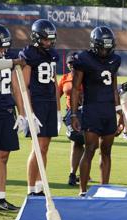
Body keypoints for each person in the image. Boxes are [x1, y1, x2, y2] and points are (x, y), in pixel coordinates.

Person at [71, 26, 123, 196]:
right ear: (94, 44)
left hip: (108, 109)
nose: (105, 51)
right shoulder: (84, 59)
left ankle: (104, 188)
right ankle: (83, 190)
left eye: (108, 47)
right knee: (90, 148)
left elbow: (114, 87)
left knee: (107, 151)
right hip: (92, 109)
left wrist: (119, 110)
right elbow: (76, 89)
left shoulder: (115, 59)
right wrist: (73, 114)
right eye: (102, 47)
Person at [19, 19, 62, 196]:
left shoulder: (52, 54)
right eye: (45, 39)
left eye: (50, 39)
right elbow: (24, 85)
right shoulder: (28, 54)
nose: (49, 42)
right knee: (37, 147)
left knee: (45, 147)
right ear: (37, 38)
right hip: (37, 103)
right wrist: (29, 111)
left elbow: (54, 82)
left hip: (50, 103)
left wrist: (59, 109)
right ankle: (31, 188)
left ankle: (39, 185)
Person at [0, 24, 27, 210]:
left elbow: (16, 87)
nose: (3, 50)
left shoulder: (8, 57)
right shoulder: (8, 61)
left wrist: (22, 113)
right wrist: (12, 62)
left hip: (5, 111)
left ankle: (0, 199)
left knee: (3, 155)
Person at [58, 53, 84, 186]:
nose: (72, 66)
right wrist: (57, 113)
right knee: (76, 141)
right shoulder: (64, 78)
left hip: (87, 111)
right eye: (70, 63)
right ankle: (73, 174)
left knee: (91, 144)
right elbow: (57, 95)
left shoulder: (85, 76)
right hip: (72, 113)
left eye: (74, 63)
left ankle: (84, 171)